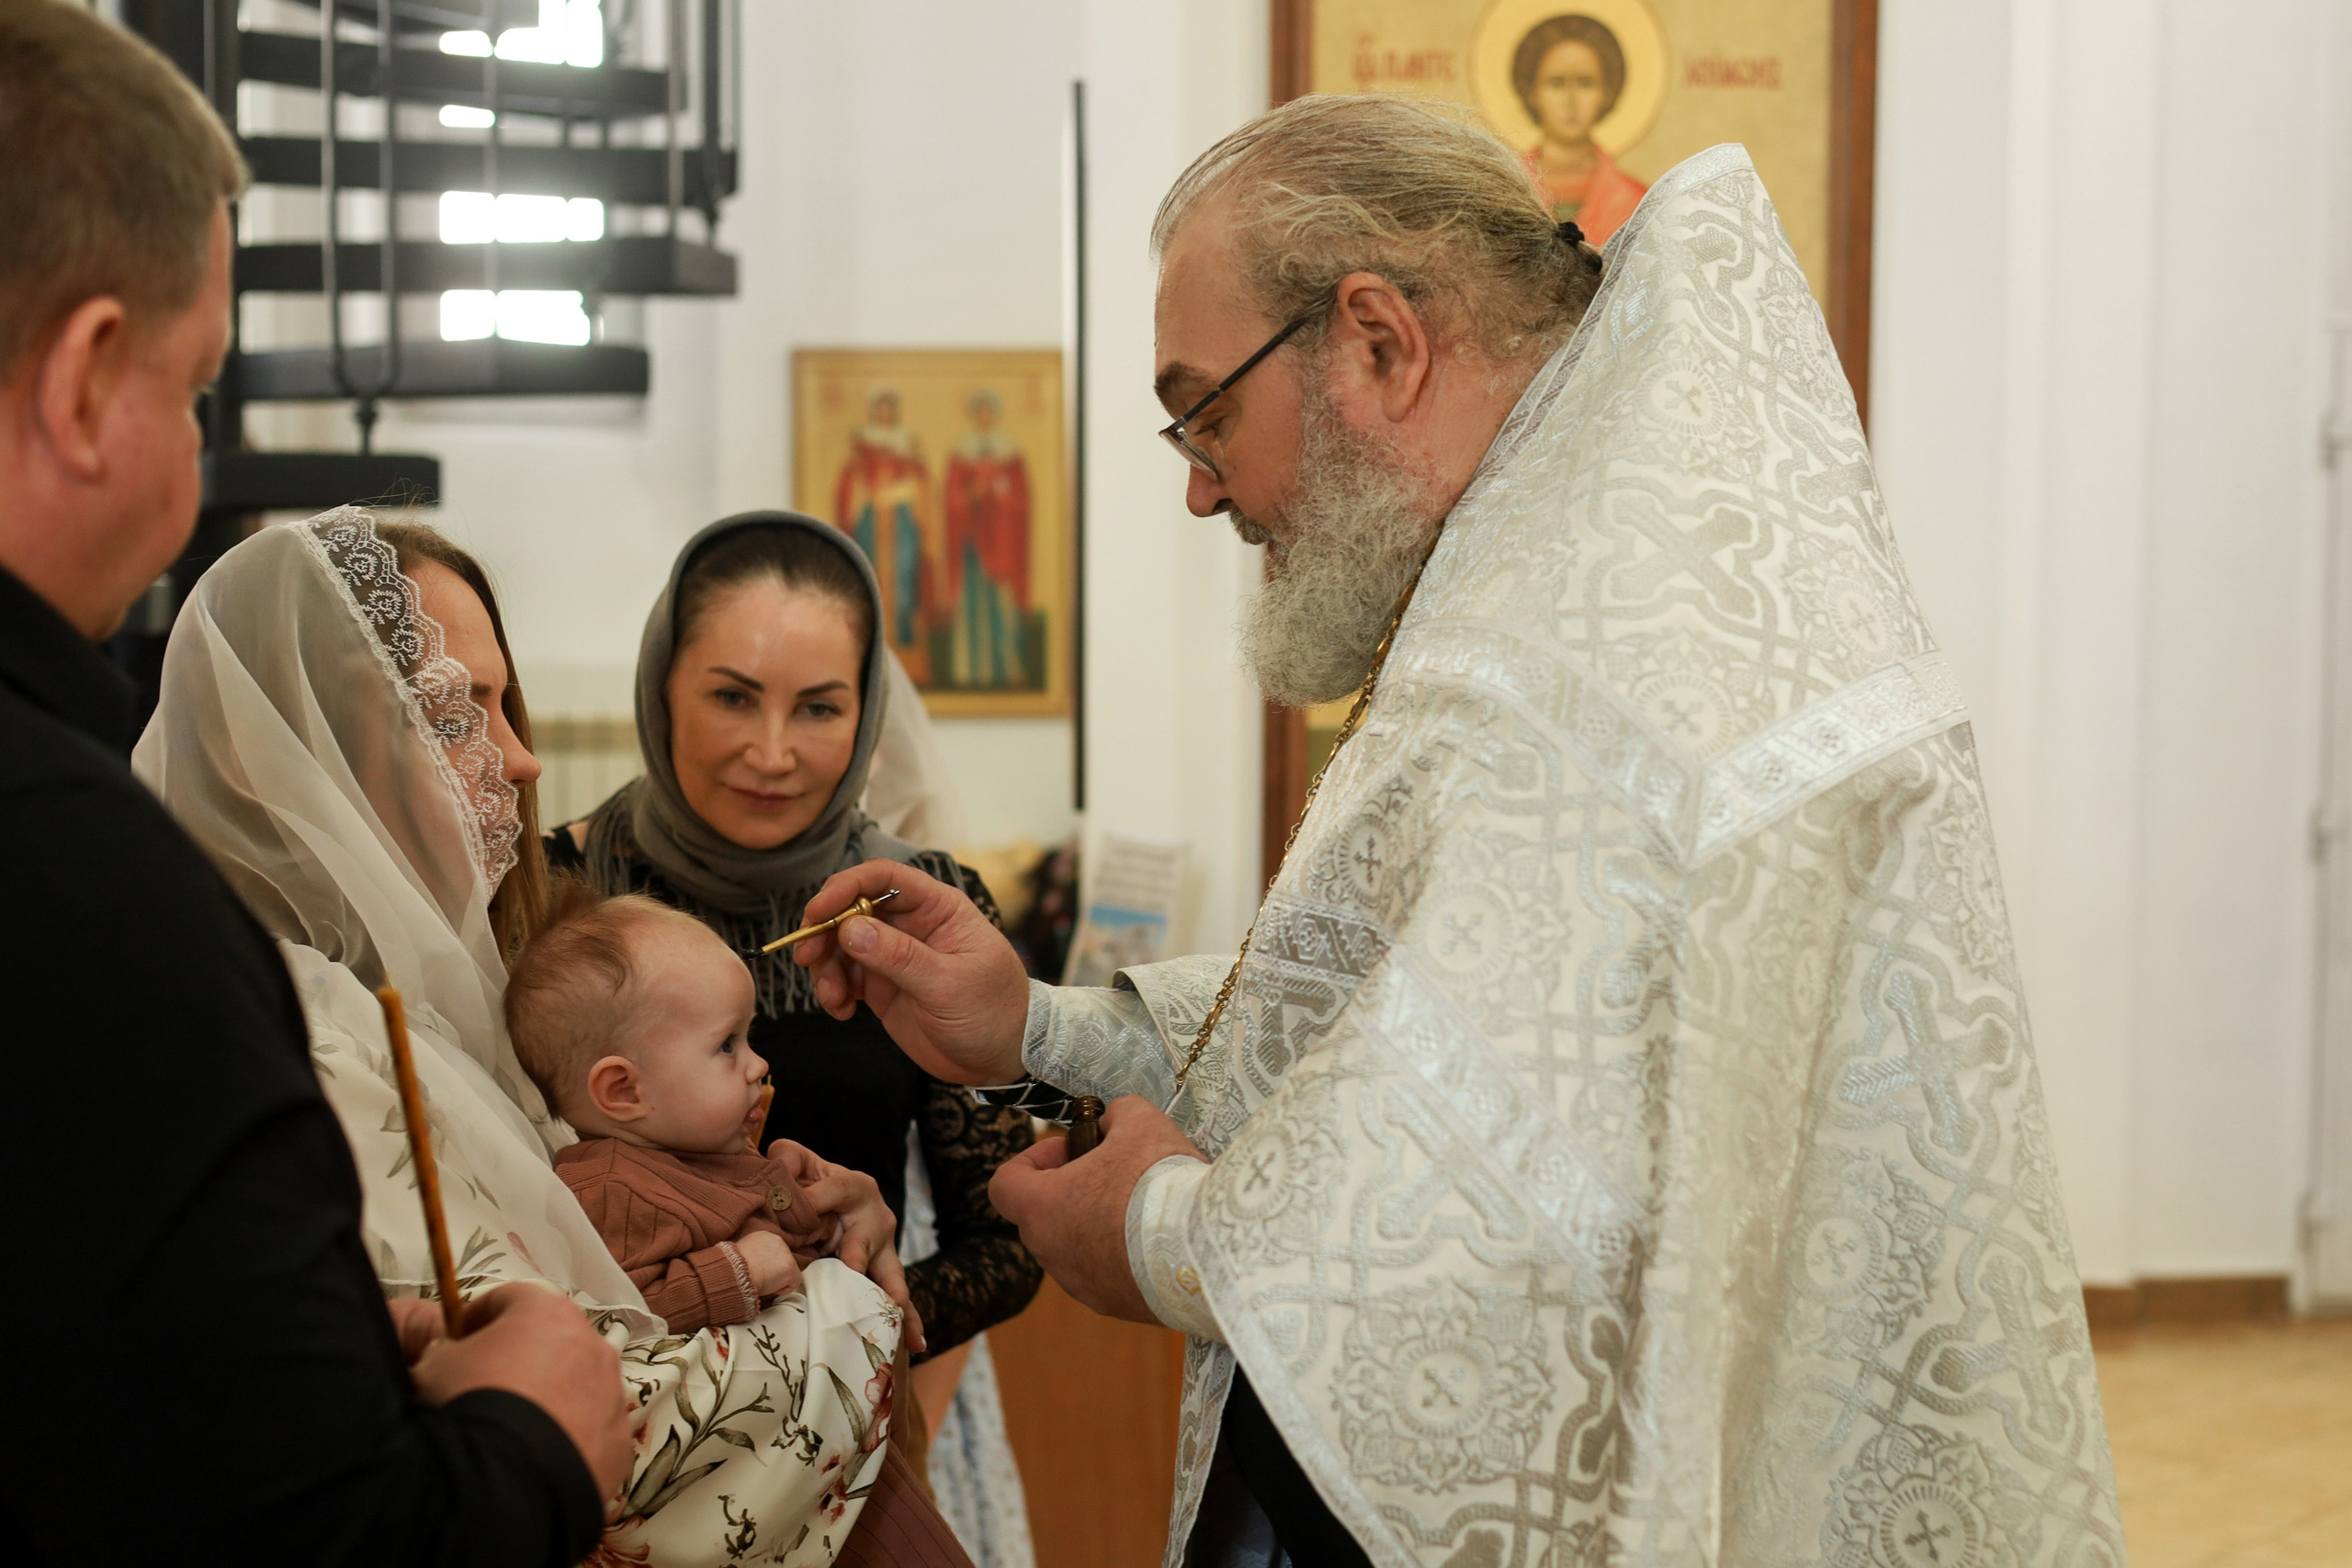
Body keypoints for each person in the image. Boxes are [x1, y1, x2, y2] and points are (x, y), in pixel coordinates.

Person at [788, 96, 2130, 1568]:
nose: (1196, 485)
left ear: (1377, 340)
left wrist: (1158, 1229)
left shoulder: (1586, 655)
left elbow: (1498, 1223)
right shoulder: (1573, 563)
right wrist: (1036, 1023)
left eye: (1206, 410)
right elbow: (1417, 1034)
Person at [0, 6, 629, 1561]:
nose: (202, 456)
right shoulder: (89, 880)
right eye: (199, 386)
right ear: (86, 382)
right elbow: (324, 1531)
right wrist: (537, 1430)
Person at [137, 506, 954, 1565]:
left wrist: (796, 1207)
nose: (522, 762)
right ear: (309, 748)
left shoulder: (464, 991)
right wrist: (844, 1303)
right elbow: (593, 1419)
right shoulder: (298, 1041)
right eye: (458, 712)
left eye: (505, 703)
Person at [549, 513, 1043, 1366]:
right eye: (733, 696)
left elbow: (1006, 1240)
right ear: (662, 686)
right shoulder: (553, 895)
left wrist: (839, 1312)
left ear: (867, 715)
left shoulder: (923, 910)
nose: (772, 753)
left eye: (818, 707)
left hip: (849, 1415)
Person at [507, 884, 911, 1338]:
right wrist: (737, 1272)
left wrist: (825, 1224)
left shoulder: (701, 1152)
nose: (758, 1064)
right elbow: (615, 1320)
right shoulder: (614, 1192)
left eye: (747, 1037)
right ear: (623, 1091)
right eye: (726, 1045)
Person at [1510, 14, 1646, 242]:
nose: (1571, 101)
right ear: (1532, 92)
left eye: (1585, 83)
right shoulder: (1505, 191)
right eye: (1556, 83)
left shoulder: (1635, 202)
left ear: (1607, 92)